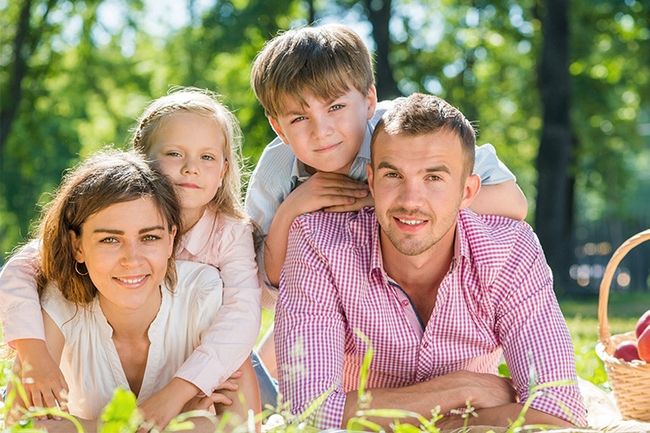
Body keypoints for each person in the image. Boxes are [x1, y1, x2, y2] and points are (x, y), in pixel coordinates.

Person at [274, 93, 587, 429]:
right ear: (372, 180)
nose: (411, 200)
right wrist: (463, 388)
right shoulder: (318, 242)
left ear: (467, 192)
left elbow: (560, 412)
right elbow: (308, 413)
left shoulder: (509, 249)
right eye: (393, 175)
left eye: (433, 178)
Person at [245, 23, 529, 375]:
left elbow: (512, 202)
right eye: (300, 117)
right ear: (278, 128)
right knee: (272, 374)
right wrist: (294, 207)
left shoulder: (410, 132)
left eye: (335, 107)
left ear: (368, 101)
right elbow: (269, 282)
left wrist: (379, 199)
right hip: (330, 296)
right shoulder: (276, 170)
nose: (321, 130)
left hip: (426, 284)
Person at [0, 89, 264, 427]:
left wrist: (182, 391)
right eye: (174, 153)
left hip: (211, 350)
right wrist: (33, 352)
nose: (190, 169)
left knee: (222, 389)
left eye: (150, 237)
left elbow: (240, 320)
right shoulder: (71, 281)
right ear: (143, 159)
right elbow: (21, 268)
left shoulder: (223, 246)